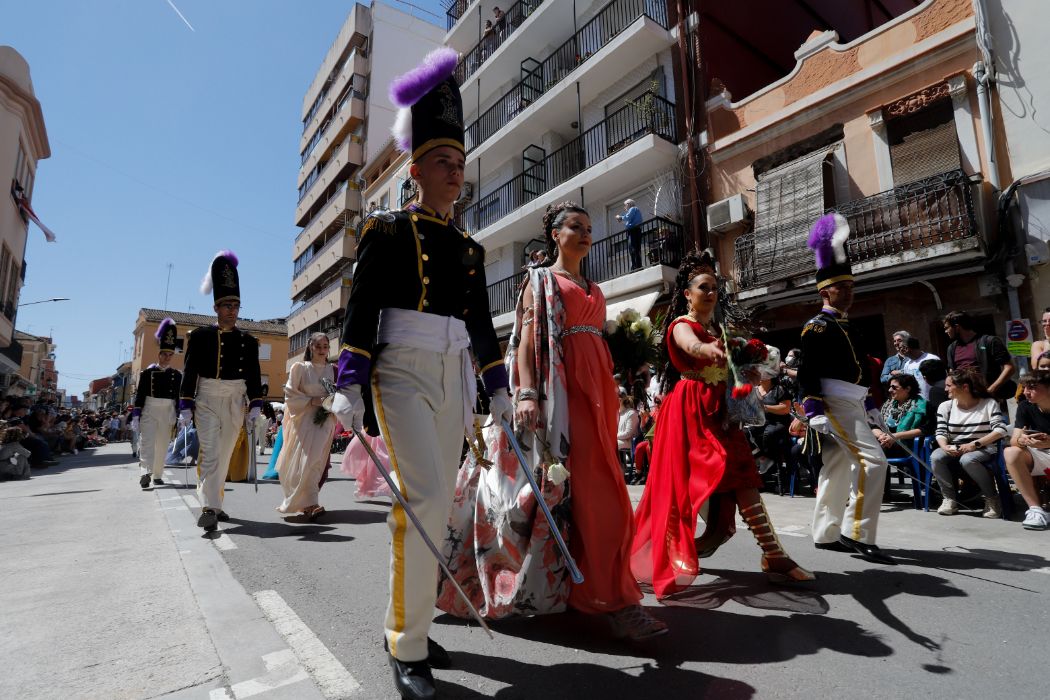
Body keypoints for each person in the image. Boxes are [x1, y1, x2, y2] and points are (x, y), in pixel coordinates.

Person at [327, 48, 513, 700]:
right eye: (444, 162)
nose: (457, 173)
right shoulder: (386, 231)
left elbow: (484, 326)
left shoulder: (469, 249)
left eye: (462, 164)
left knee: (436, 504)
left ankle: (411, 621)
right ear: (417, 168)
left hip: (453, 373)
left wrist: (501, 389)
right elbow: (362, 311)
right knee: (426, 497)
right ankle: (406, 648)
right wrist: (349, 382)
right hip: (401, 371)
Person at [438, 200, 667, 640]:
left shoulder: (595, 289)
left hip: (597, 396)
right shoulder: (540, 280)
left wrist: (625, 369)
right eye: (575, 226)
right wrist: (525, 394)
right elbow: (524, 342)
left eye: (588, 227)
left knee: (604, 498)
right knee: (591, 499)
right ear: (555, 235)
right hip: (558, 398)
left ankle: (593, 592)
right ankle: (616, 603)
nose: (585, 233)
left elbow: (596, 343)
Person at [631, 252, 813, 597]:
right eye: (703, 287)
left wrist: (747, 369)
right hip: (691, 412)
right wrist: (709, 350)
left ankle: (771, 554)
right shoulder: (682, 325)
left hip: (723, 412)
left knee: (742, 475)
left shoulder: (720, 330)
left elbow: (731, 364)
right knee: (682, 488)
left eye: (715, 287)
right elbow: (691, 345)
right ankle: (674, 550)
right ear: (687, 293)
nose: (711, 293)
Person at [800, 213, 893, 565]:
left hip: (852, 401)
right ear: (825, 291)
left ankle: (826, 533)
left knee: (837, 466)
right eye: (843, 287)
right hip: (832, 403)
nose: (850, 292)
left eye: (852, 286)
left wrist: (870, 404)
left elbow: (859, 371)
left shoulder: (849, 327)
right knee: (874, 461)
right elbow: (807, 372)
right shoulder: (817, 328)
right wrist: (813, 411)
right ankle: (857, 532)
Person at [179, 250, 264, 532]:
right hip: (206, 398)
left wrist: (255, 405)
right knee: (212, 453)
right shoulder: (200, 337)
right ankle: (208, 507)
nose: (232, 310)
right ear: (216, 307)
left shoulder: (249, 342)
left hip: (234, 399)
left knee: (225, 455)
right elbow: (190, 370)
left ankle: (215, 504)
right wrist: (185, 403)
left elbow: (254, 374)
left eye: (236, 305)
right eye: (226, 304)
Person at [274, 332, 337, 519]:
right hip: (304, 419)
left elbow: (340, 393)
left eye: (325, 346)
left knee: (317, 459)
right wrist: (313, 401)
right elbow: (290, 395)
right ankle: (307, 501)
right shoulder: (299, 368)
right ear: (310, 347)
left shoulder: (333, 369)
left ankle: (311, 502)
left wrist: (332, 404)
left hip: (326, 419)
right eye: (318, 346)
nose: (322, 350)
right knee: (306, 460)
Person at [931, 368, 1008, 517]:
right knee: (936, 457)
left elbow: (1000, 430)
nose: (945, 388)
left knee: (968, 459)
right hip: (956, 445)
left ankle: (992, 498)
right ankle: (949, 499)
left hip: (984, 447)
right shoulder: (945, 406)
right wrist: (944, 446)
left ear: (964, 387)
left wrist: (975, 444)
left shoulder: (988, 403)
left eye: (949, 385)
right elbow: (940, 432)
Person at [131, 318, 182, 489]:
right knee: (147, 442)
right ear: (159, 354)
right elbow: (140, 395)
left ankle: (158, 474)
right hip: (150, 409)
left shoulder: (177, 375)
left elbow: (177, 397)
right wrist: (136, 415)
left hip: (167, 411)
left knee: (162, 444)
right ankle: (145, 473)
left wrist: (180, 414)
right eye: (164, 354)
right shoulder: (147, 373)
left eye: (170, 355)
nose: (167, 358)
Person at [1003, 370, 1050, 529]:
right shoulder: (1025, 407)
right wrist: (1023, 441)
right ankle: (1035, 510)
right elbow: (1014, 440)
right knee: (1011, 452)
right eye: (1024, 387)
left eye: (1032, 387)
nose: (1026, 392)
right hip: (1039, 455)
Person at [943, 310, 1015, 401]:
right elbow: (952, 372)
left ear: (957, 327)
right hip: (963, 398)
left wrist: (991, 390)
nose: (946, 331)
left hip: (987, 397)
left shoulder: (990, 341)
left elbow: (1009, 368)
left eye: (947, 328)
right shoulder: (952, 348)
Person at [870, 373, 926, 459]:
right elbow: (873, 424)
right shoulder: (887, 405)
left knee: (878, 449)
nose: (889, 390)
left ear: (908, 388)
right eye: (889, 387)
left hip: (907, 444)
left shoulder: (920, 406)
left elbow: (924, 429)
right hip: (886, 441)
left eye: (894, 387)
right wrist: (881, 435)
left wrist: (895, 436)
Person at [617, 388, 640, 480]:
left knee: (610, 445)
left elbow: (628, 433)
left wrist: (612, 436)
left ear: (619, 400)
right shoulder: (617, 413)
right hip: (618, 439)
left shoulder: (631, 413)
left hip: (628, 441)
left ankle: (620, 472)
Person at [616, 198, 643, 270]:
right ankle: (637, 266)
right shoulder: (635, 210)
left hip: (633, 231)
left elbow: (627, 217)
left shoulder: (633, 209)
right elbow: (628, 222)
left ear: (628, 204)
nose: (624, 208)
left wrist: (620, 217)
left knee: (633, 248)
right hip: (635, 230)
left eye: (625, 206)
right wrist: (621, 220)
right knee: (635, 249)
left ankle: (635, 266)